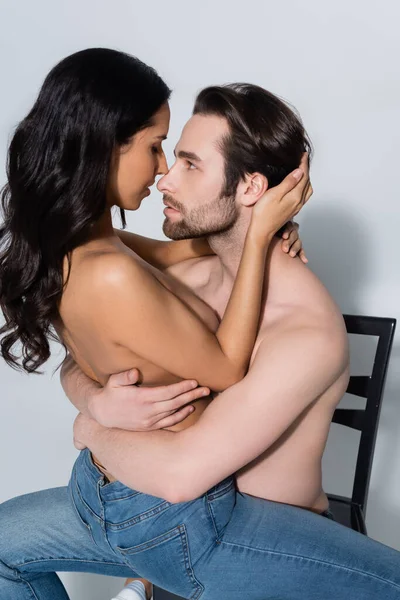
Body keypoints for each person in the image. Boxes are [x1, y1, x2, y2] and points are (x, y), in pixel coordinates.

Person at [64, 85, 400, 599]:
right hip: (177, 530)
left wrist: (88, 426)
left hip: (268, 553)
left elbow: (182, 473)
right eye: (167, 155)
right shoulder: (190, 278)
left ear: (249, 189)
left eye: (189, 164)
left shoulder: (304, 332)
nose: (164, 178)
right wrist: (97, 399)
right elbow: (83, 346)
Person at [0, 47, 310, 600]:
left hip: (107, 487)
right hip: (165, 510)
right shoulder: (110, 272)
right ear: (104, 148)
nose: (163, 167)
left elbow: (178, 257)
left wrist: (254, 242)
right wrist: (259, 236)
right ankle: (143, 581)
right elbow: (227, 367)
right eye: (154, 147)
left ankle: (137, 585)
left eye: (179, 155)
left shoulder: (86, 245)